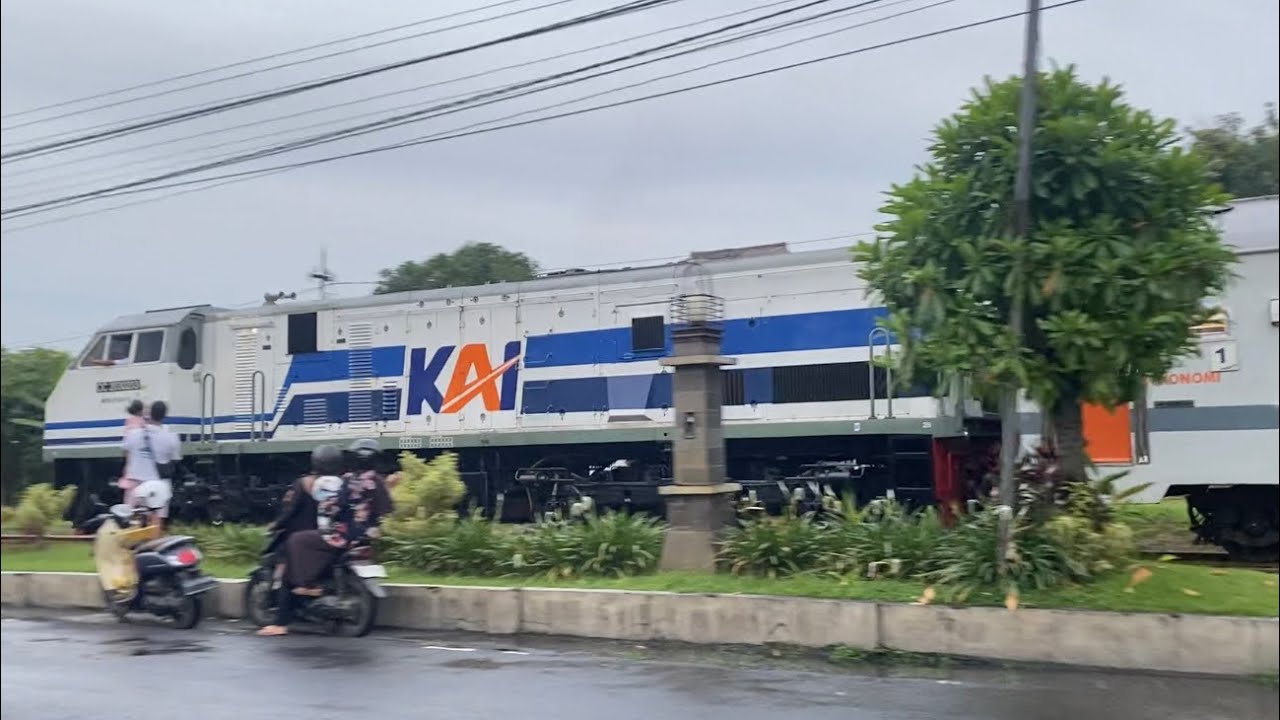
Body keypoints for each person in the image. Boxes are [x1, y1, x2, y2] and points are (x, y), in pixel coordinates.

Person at [257, 444, 347, 638]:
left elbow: (289, 512)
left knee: (284, 572)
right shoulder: (341, 485)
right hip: (335, 539)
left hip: (305, 541)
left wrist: (274, 525)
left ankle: (280, 623)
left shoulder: (304, 484)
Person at [120, 400, 181, 531]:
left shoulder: (132, 434)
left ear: (148, 414)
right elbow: (175, 459)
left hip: (135, 483)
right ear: (164, 416)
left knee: (131, 520)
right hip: (158, 485)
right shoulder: (171, 437)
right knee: (156, 522)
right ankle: (153, 544)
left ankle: (132, 546)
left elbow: (126, 453)